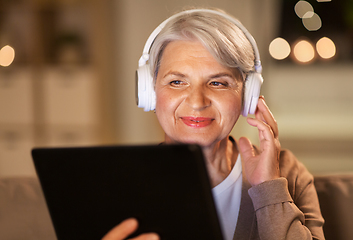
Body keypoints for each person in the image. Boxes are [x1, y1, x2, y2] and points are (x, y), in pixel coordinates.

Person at [103, 8, 325, 240]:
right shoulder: (118, 182)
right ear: (149, 92)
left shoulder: (288, 173)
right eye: (177, 81)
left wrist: (269, 189)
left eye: (218, 83)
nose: (197, 102)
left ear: (247, 95)